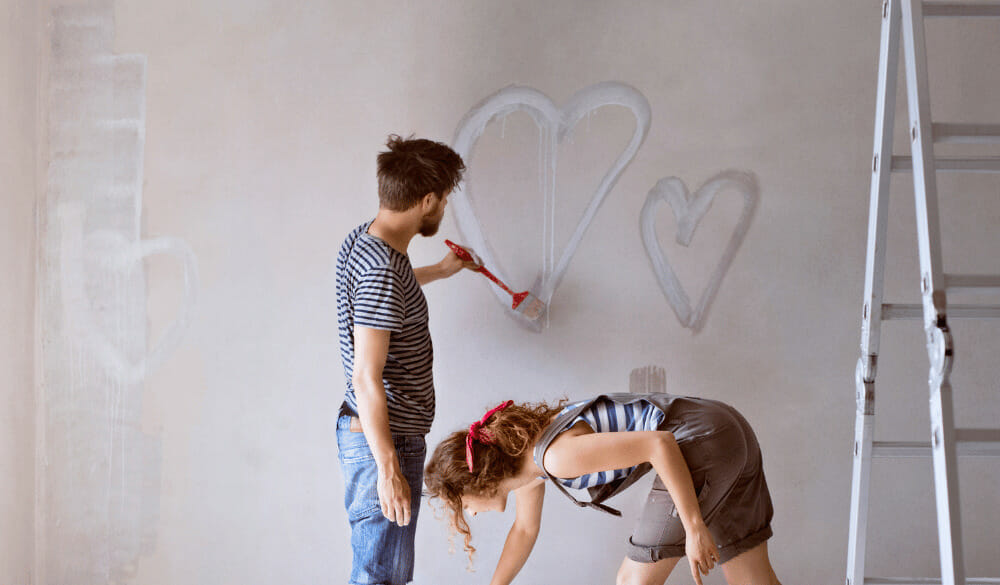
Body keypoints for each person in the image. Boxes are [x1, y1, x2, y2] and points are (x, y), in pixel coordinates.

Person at [424, 393, 781, 585]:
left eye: (462, 504)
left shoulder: (556, 458)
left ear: (480, 482)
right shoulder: (531, 464)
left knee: (631, 582)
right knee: (752, 579)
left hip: (700, 442)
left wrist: (693, 526)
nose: (469, 512)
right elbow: (524, 529)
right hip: (727, 428)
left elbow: (659, 445)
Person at [336, 134, 479, 585]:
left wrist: (440, 270)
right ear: (428, 200)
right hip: (386, 439)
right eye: (444, 201)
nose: (442, 211)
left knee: (388, 577)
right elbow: (366, 378)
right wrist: (388, 468)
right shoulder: (381, 269)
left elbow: (386, 294)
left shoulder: (367, 242)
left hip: (382, 436)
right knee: (380, 579)